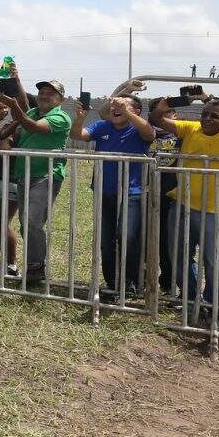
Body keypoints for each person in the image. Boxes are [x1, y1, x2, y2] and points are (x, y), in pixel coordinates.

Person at [149, 74, 219, 325]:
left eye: (214, 116)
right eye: (204, 113)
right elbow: (157, 122)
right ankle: (192, 298)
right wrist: (159, 111)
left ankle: (217, 307)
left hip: (215, 211)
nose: (206, 118)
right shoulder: (192, 128)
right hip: (182, 205)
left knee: (216, 261)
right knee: (180, 257)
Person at [72, 95, 155, 301]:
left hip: (131, 193)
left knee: (126, 237)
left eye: (122, 106)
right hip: (103, 192)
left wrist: (127, 113)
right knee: (106, 242)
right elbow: (77, 135)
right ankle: (115, 285)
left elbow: (150, 134)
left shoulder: (138, 128)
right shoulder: (102, 126)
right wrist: (80, 118)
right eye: (114, 106)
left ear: (136, 111)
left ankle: (135, 281)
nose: (115, 109)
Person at [0, 74, 72, 287]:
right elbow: (15, 129)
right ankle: (33, 266)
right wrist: (9, 136)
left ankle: (36, 269)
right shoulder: (33, 111)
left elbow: (33, 126)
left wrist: (14, 106)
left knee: (32, 220)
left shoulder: (61, 117)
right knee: (27, 222)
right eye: (42, 92)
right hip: (23, 173)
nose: (45, 96)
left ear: (61, 99)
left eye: (51, 94)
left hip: (46, 175)